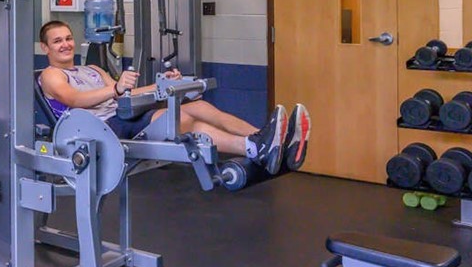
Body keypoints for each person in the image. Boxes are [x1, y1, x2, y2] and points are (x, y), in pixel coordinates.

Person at [37, 20, 310, 175]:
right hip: (99, 130)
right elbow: (73, 99)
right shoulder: (51, 75)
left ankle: (263, 142)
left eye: (68, 38)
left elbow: (125, 93)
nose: (65, 44)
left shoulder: (92, 69)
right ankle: (259, 145)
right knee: (183, 117)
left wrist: (163, 84)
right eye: (58, 41)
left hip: (122, 115)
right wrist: (116, 89)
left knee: (196, 107)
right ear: (45, 47)